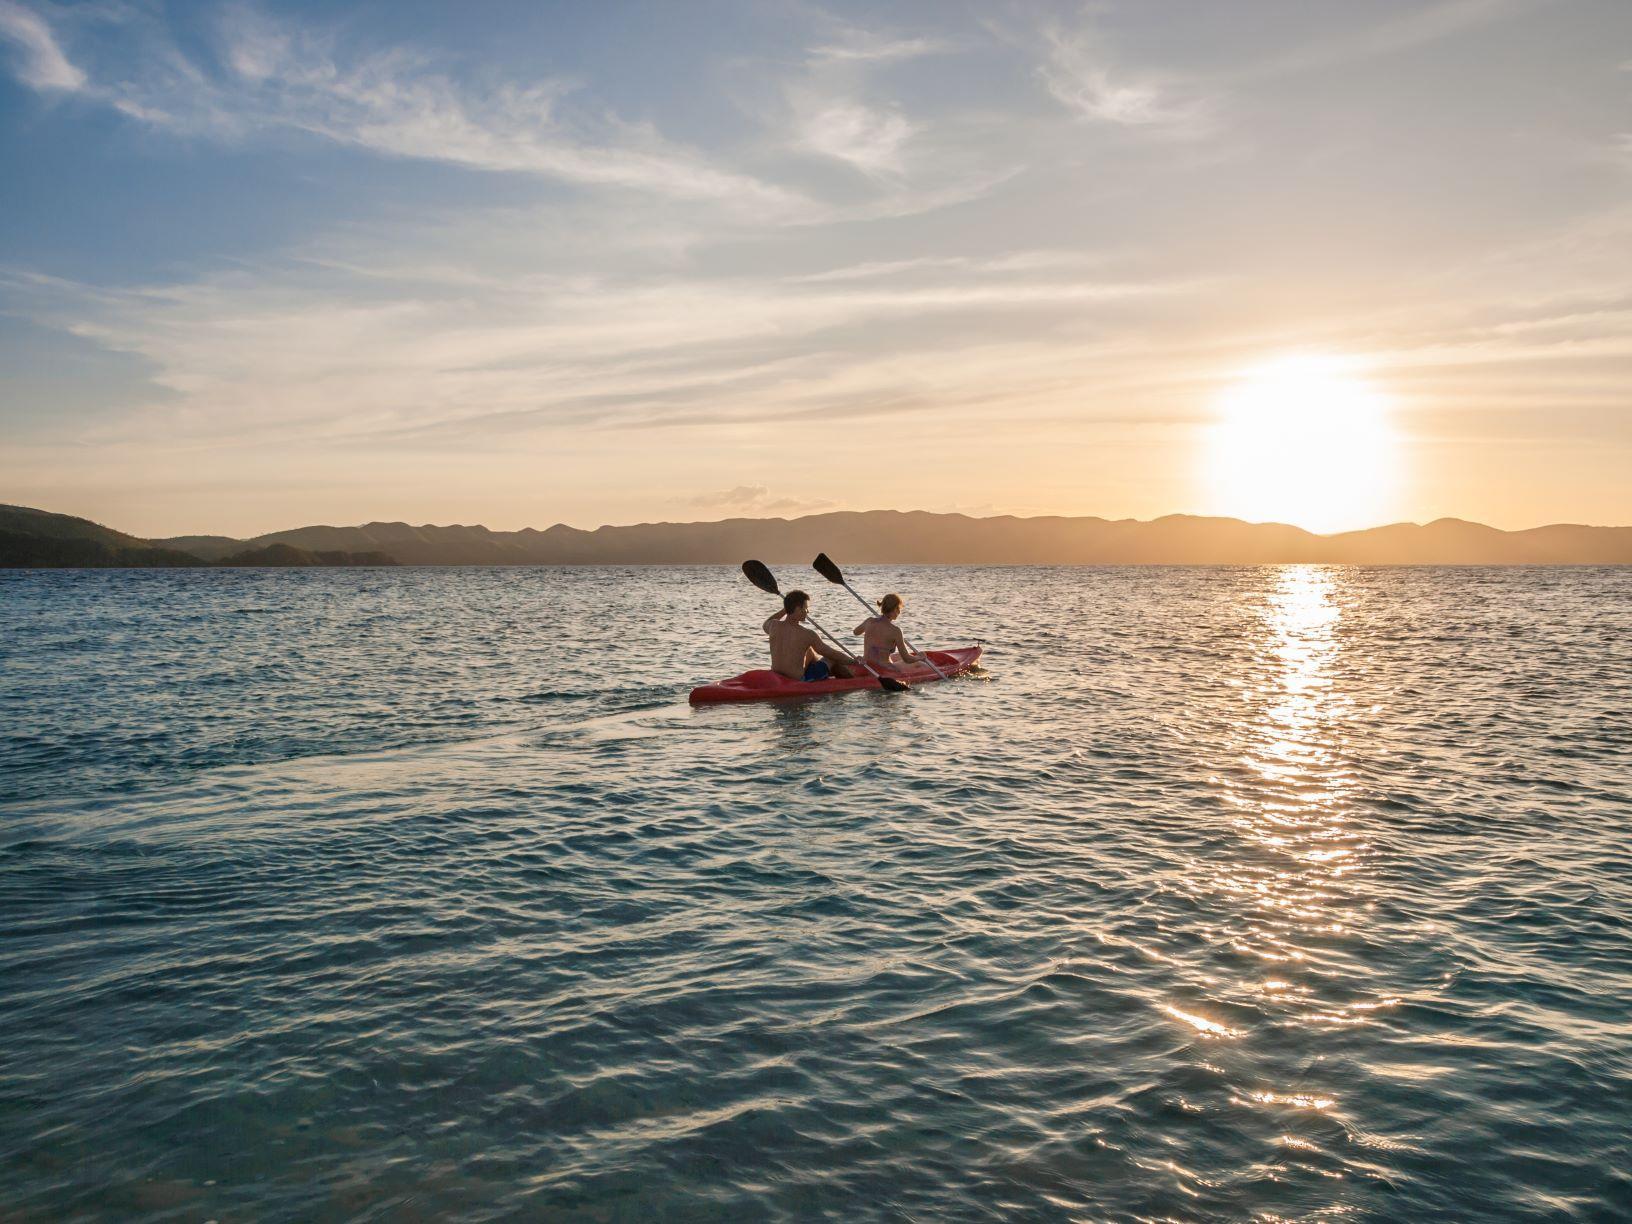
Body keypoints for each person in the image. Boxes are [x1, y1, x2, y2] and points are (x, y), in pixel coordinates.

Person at [764, 590, 857, 681]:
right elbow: (830, 653)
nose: (807, 611)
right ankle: (853, 682)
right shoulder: (807, 634)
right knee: (831, 659)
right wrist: (853, 661)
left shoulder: (773, 625)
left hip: (778, 674)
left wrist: (786, 609)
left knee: (809, 651)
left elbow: (766, 623)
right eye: (805, 608)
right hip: (799, 679)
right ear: (797, 609)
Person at [852, 592, 926, 674]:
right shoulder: (895, 631)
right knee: (920, 664)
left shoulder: (869, 621)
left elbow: (856, 632)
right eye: (899, 609)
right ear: (895, 609)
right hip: (884, 669)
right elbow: (907, 659)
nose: (899, 612)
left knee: (897, 655)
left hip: (867, 664)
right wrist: (919, 657)